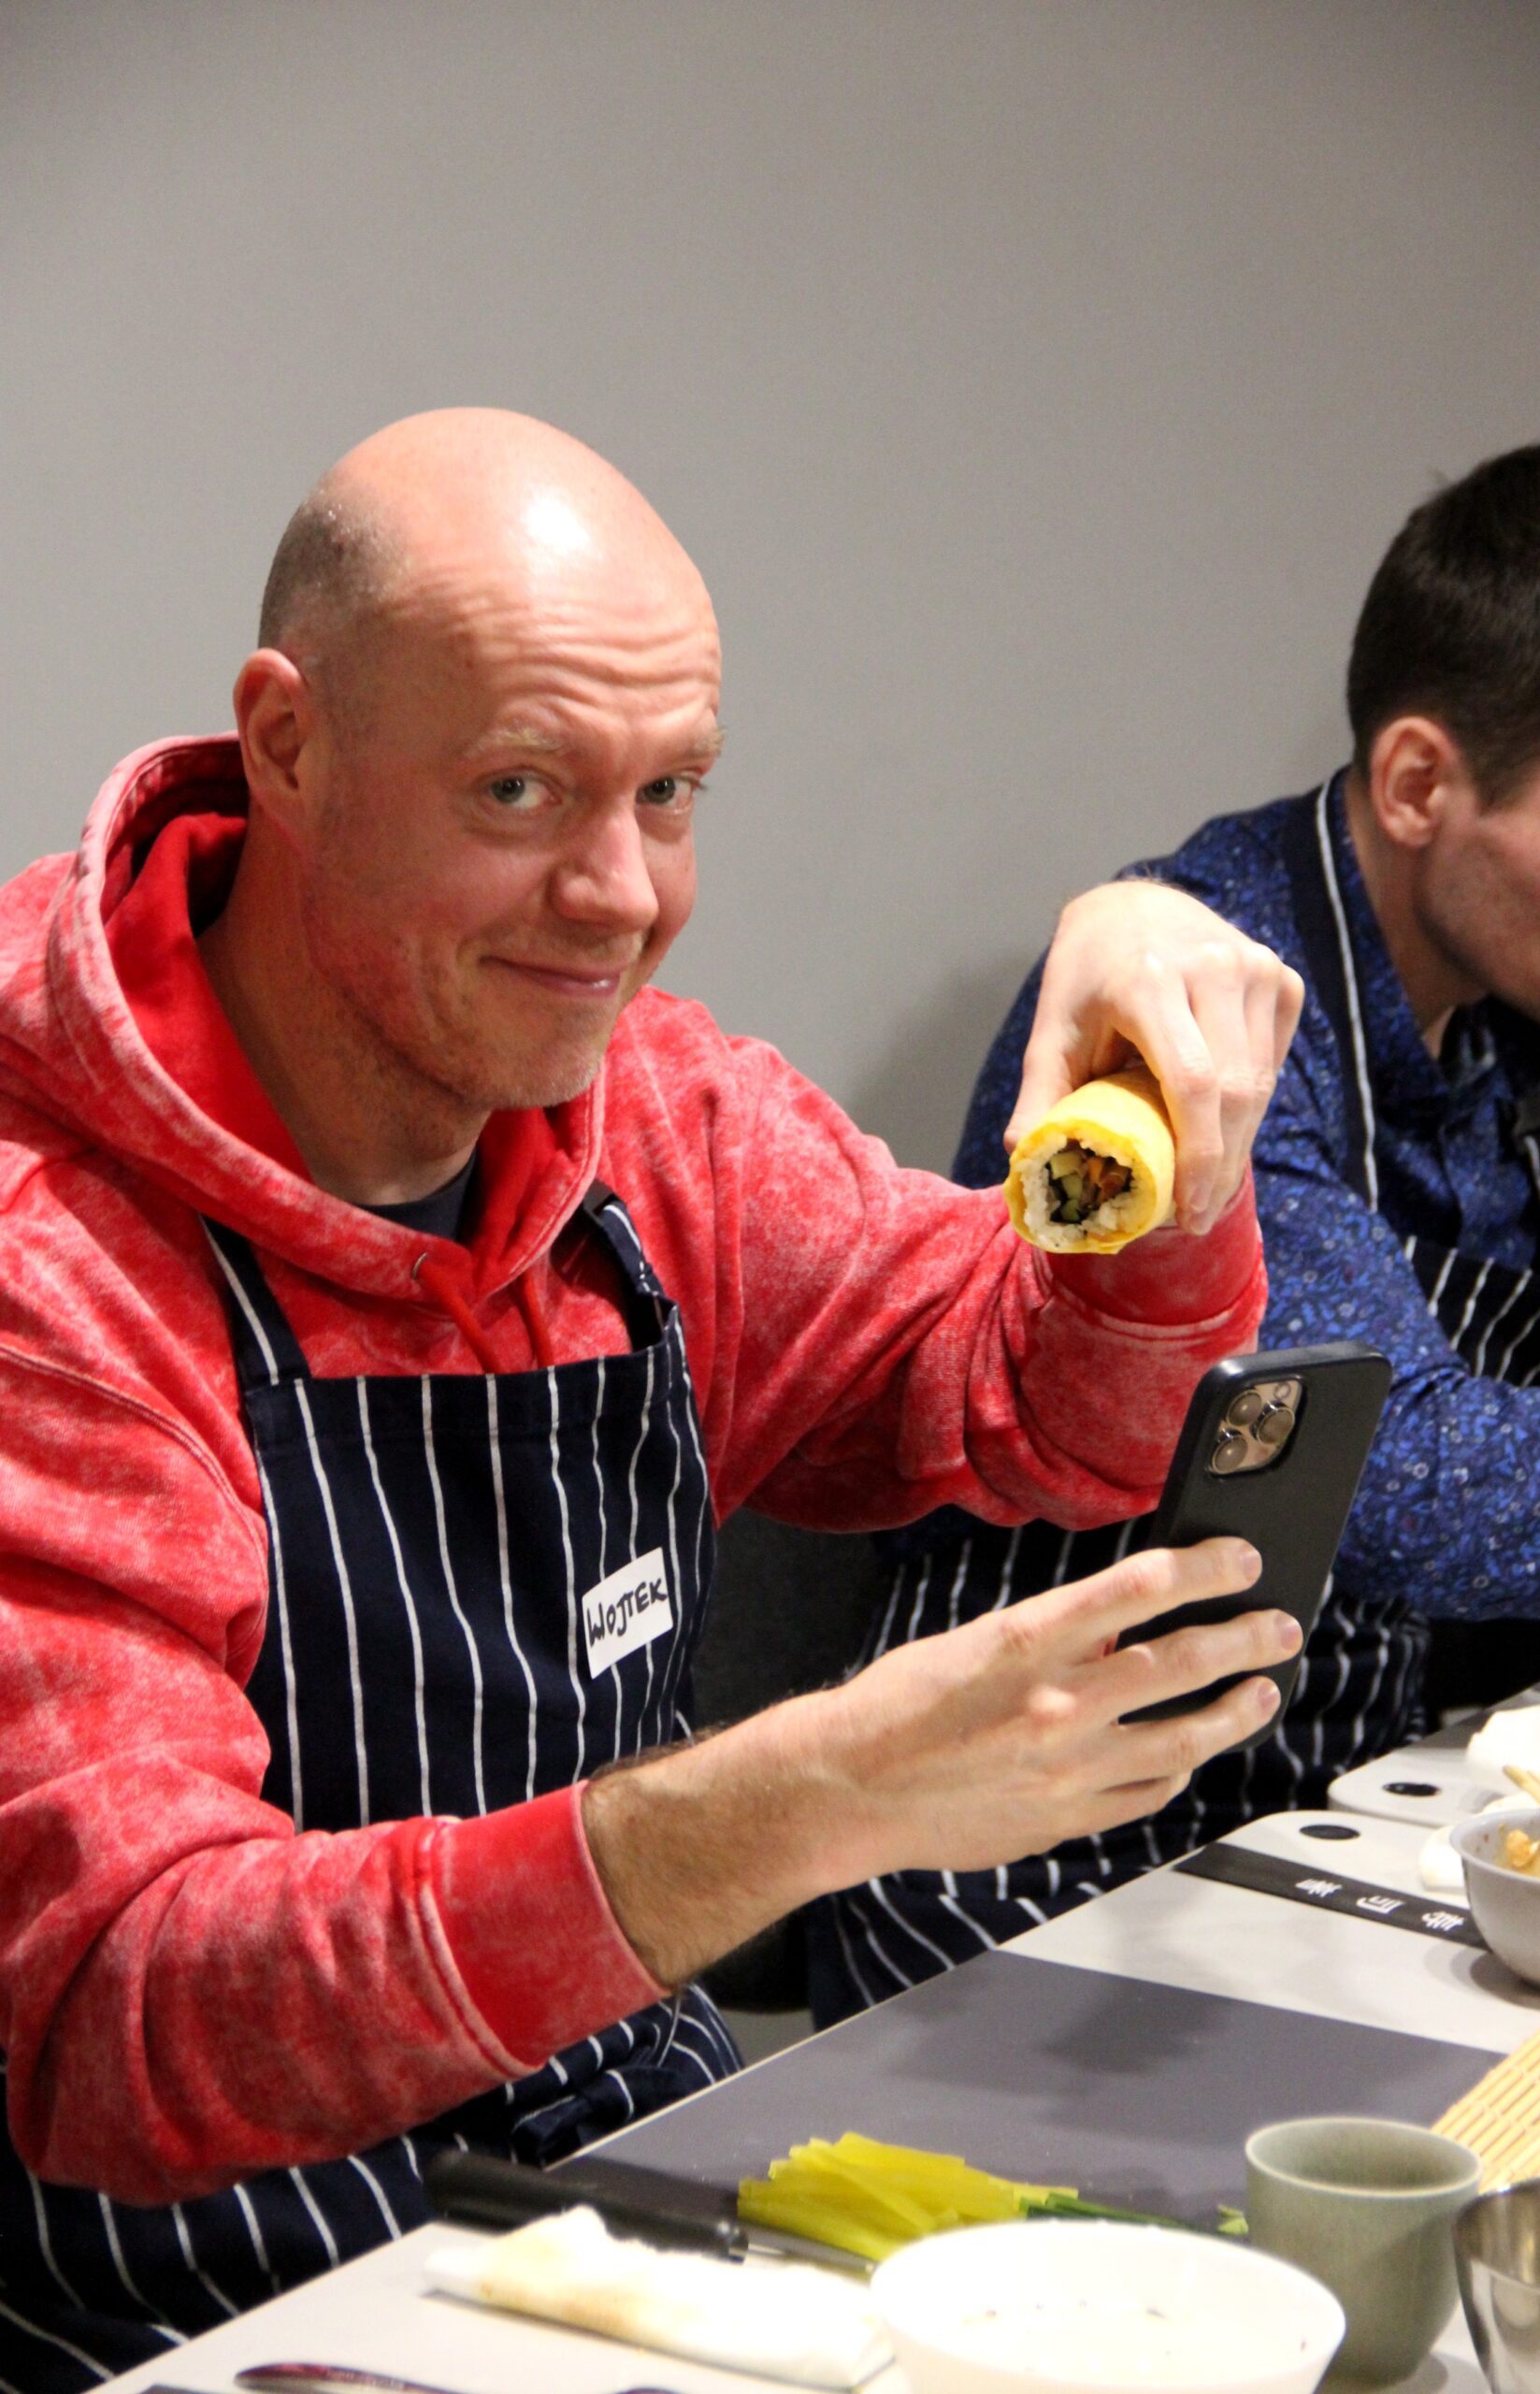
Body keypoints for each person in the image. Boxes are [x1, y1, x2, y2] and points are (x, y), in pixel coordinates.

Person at [0, 409, 1303, 2385]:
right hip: (205, 2302)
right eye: (519, 789)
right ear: (287, 746)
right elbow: (138, 2018)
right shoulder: (56, 1261)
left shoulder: (651, 1129)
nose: (620, 895)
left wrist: (1156, 1082)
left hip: (622, 2210)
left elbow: (1050, 1411)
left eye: (672, 791)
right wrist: (796, 1806)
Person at [807, 432, 1540, 2028]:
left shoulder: (1538, 1017)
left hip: (1334, 1797)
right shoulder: (1185, 1008)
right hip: (1035, 1858)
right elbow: (1397, 1475)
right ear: (1421, 785)